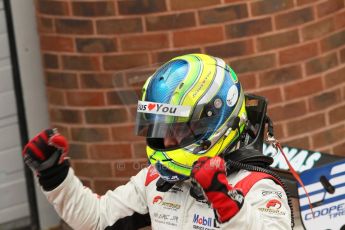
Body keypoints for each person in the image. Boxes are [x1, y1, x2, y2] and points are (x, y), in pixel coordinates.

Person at [22, 54, 293, 230]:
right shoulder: (155, 180)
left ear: (213, 122)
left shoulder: (258, 187)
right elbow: (98, 219)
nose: (165, 139)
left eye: (177, 129)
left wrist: (228, 206)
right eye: (159, 127)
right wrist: (55, 174)